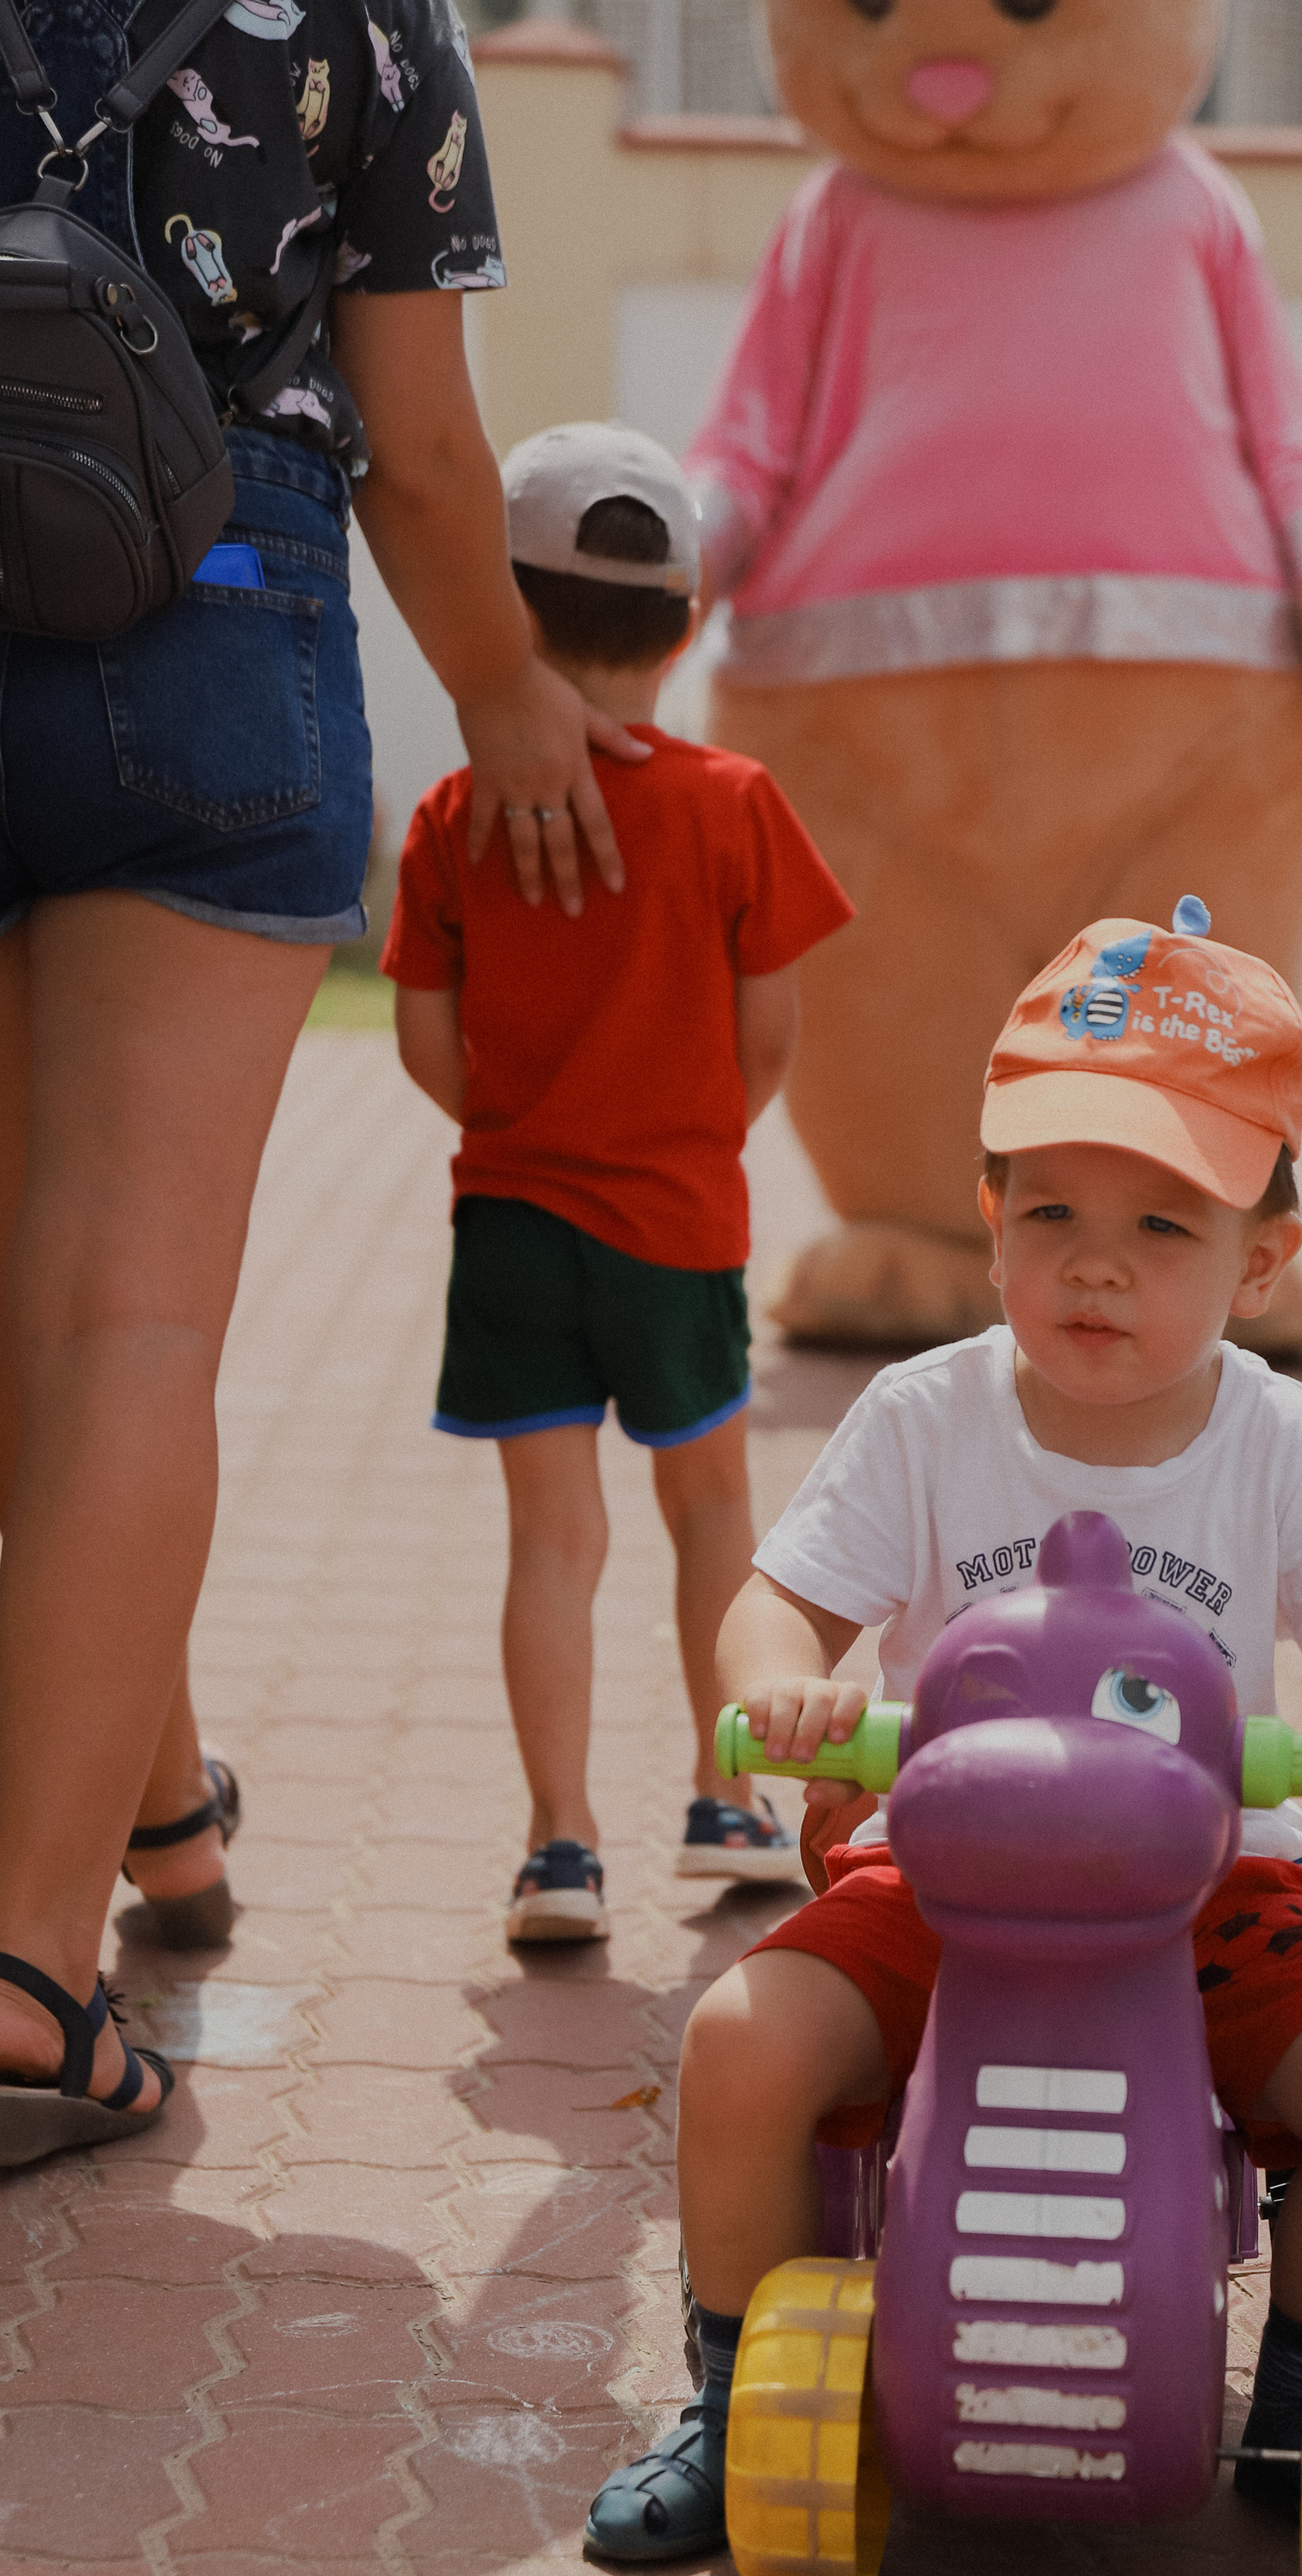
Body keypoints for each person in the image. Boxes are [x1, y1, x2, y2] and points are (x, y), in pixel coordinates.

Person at [583, 898, 1302, 2570]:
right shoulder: (925, 1417)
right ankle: (728, 2389)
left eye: (1160, 1223)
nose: (1093, 1261)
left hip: (1209, 1898)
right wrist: (791, 1691)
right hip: (943, 1881)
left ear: (1259, 1259)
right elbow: (777, 1603)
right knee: (742, 2045)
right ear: (985, 1221)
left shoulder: (1277, 1443)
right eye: (1048, 1207)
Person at [0, 0, 649, 2162]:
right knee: (124, 1320)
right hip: (210, 597)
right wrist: (510, 691)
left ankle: (149, 1823)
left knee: (33, 1315)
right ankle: (38, 1952)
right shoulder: (370, 18)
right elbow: (428, 445)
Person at [388, 425, 856, 1940]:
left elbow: (422, 1036)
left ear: (507, 618)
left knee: (551, 1540)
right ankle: (727, 1800)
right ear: (686, 616)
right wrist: (685, 1129)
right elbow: (770, 1035)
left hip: (512, 1219)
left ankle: (556, 1847)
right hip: (676, 1220)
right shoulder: (732, 804)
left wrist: (526, 1121)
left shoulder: (457, 817)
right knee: (709, 1509)